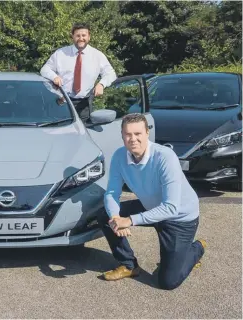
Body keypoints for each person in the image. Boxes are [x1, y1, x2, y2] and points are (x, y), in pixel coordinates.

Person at [98, 113, 206, 290]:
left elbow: (171, 208)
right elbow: (111, 193)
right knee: (105, 215)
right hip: (151, 206)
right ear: (122, 135)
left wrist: (130, 220)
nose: (133, 139)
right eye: (128, 134)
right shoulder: (119, 156)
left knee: (168, 282)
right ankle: (129, 265)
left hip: (179, 217)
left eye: (138, 133)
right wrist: (116, 218)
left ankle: (196, 249)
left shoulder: (165, 157)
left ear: (147, 133)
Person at [40, 22, 117, 118]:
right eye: (78, 36)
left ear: (89, 37)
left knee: (82, 132)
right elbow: (44, 69)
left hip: (84, 105)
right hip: (61, 101)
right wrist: (54, 76)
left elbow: (111, 73)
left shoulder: (97, 56)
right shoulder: (60, 53)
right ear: (73, 37)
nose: (81, 38)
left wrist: (102, 84)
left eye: (84, 35)